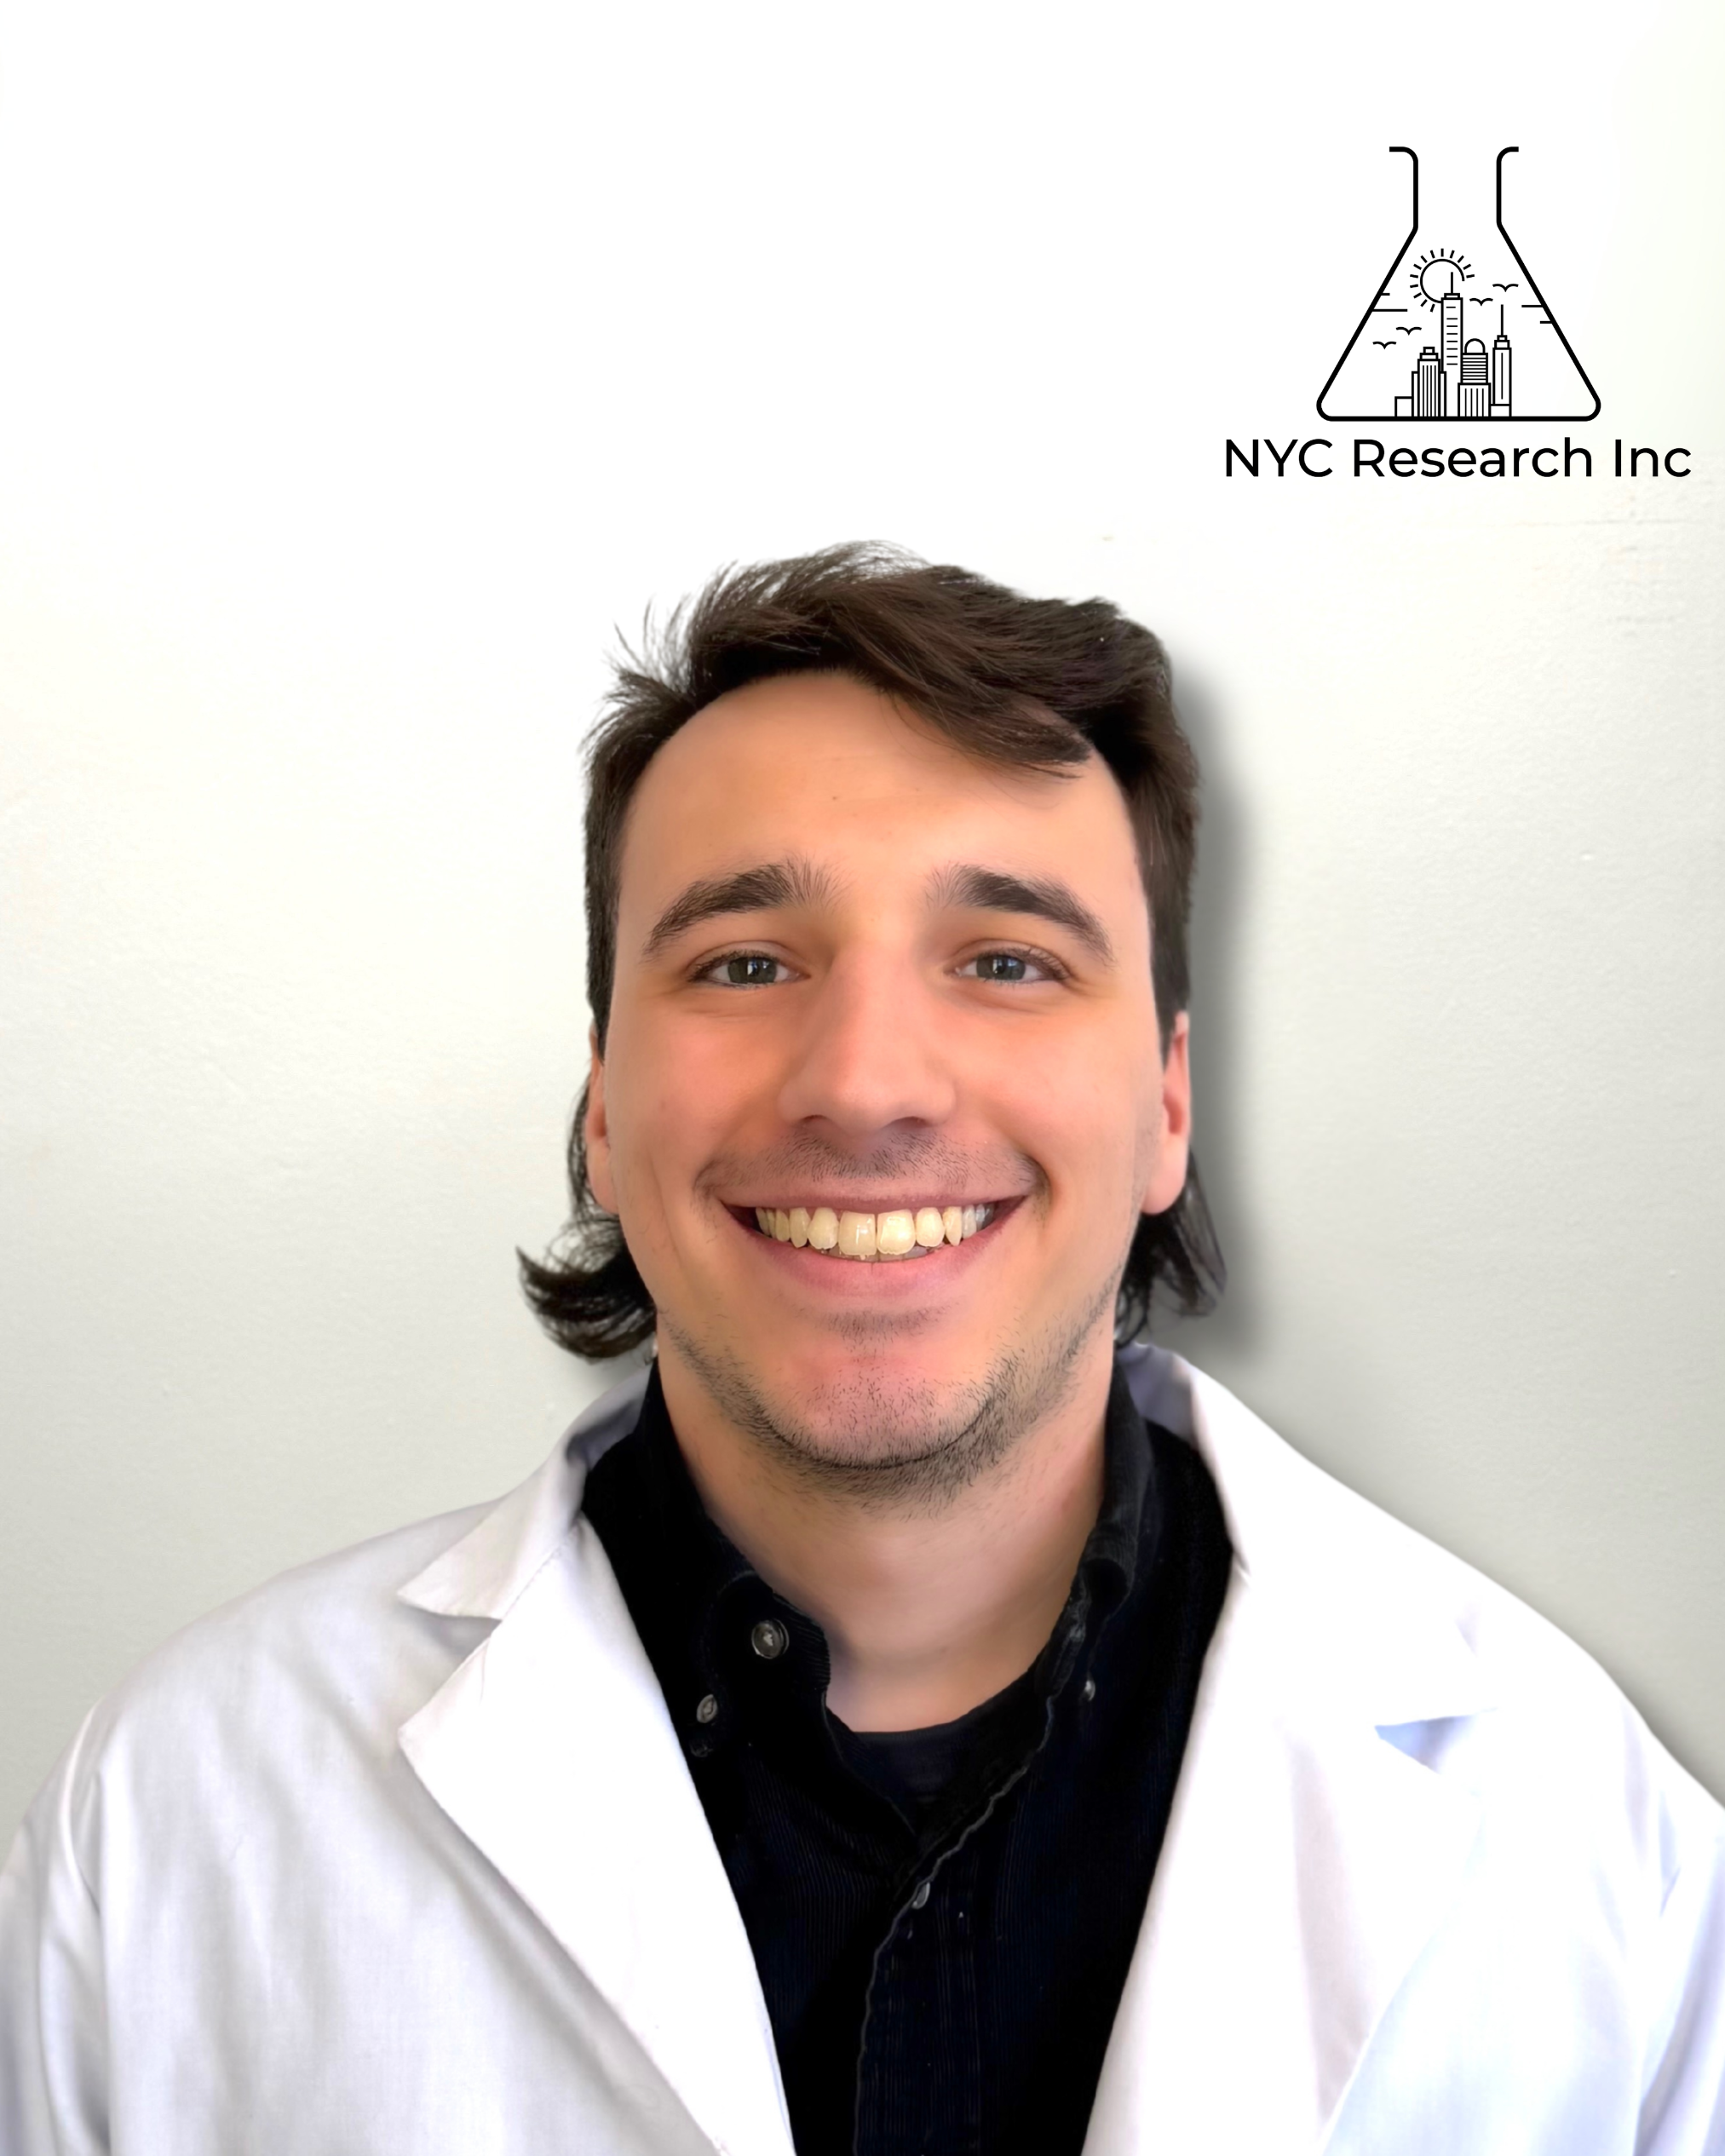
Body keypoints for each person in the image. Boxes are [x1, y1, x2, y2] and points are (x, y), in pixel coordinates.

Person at [3, 544, 1721, 2155]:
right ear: (601, 1109)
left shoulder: (1602, 1857)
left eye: (1007, 959)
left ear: (1167, 1105)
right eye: (746, 960)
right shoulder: (166, 1823)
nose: (866, 1081)